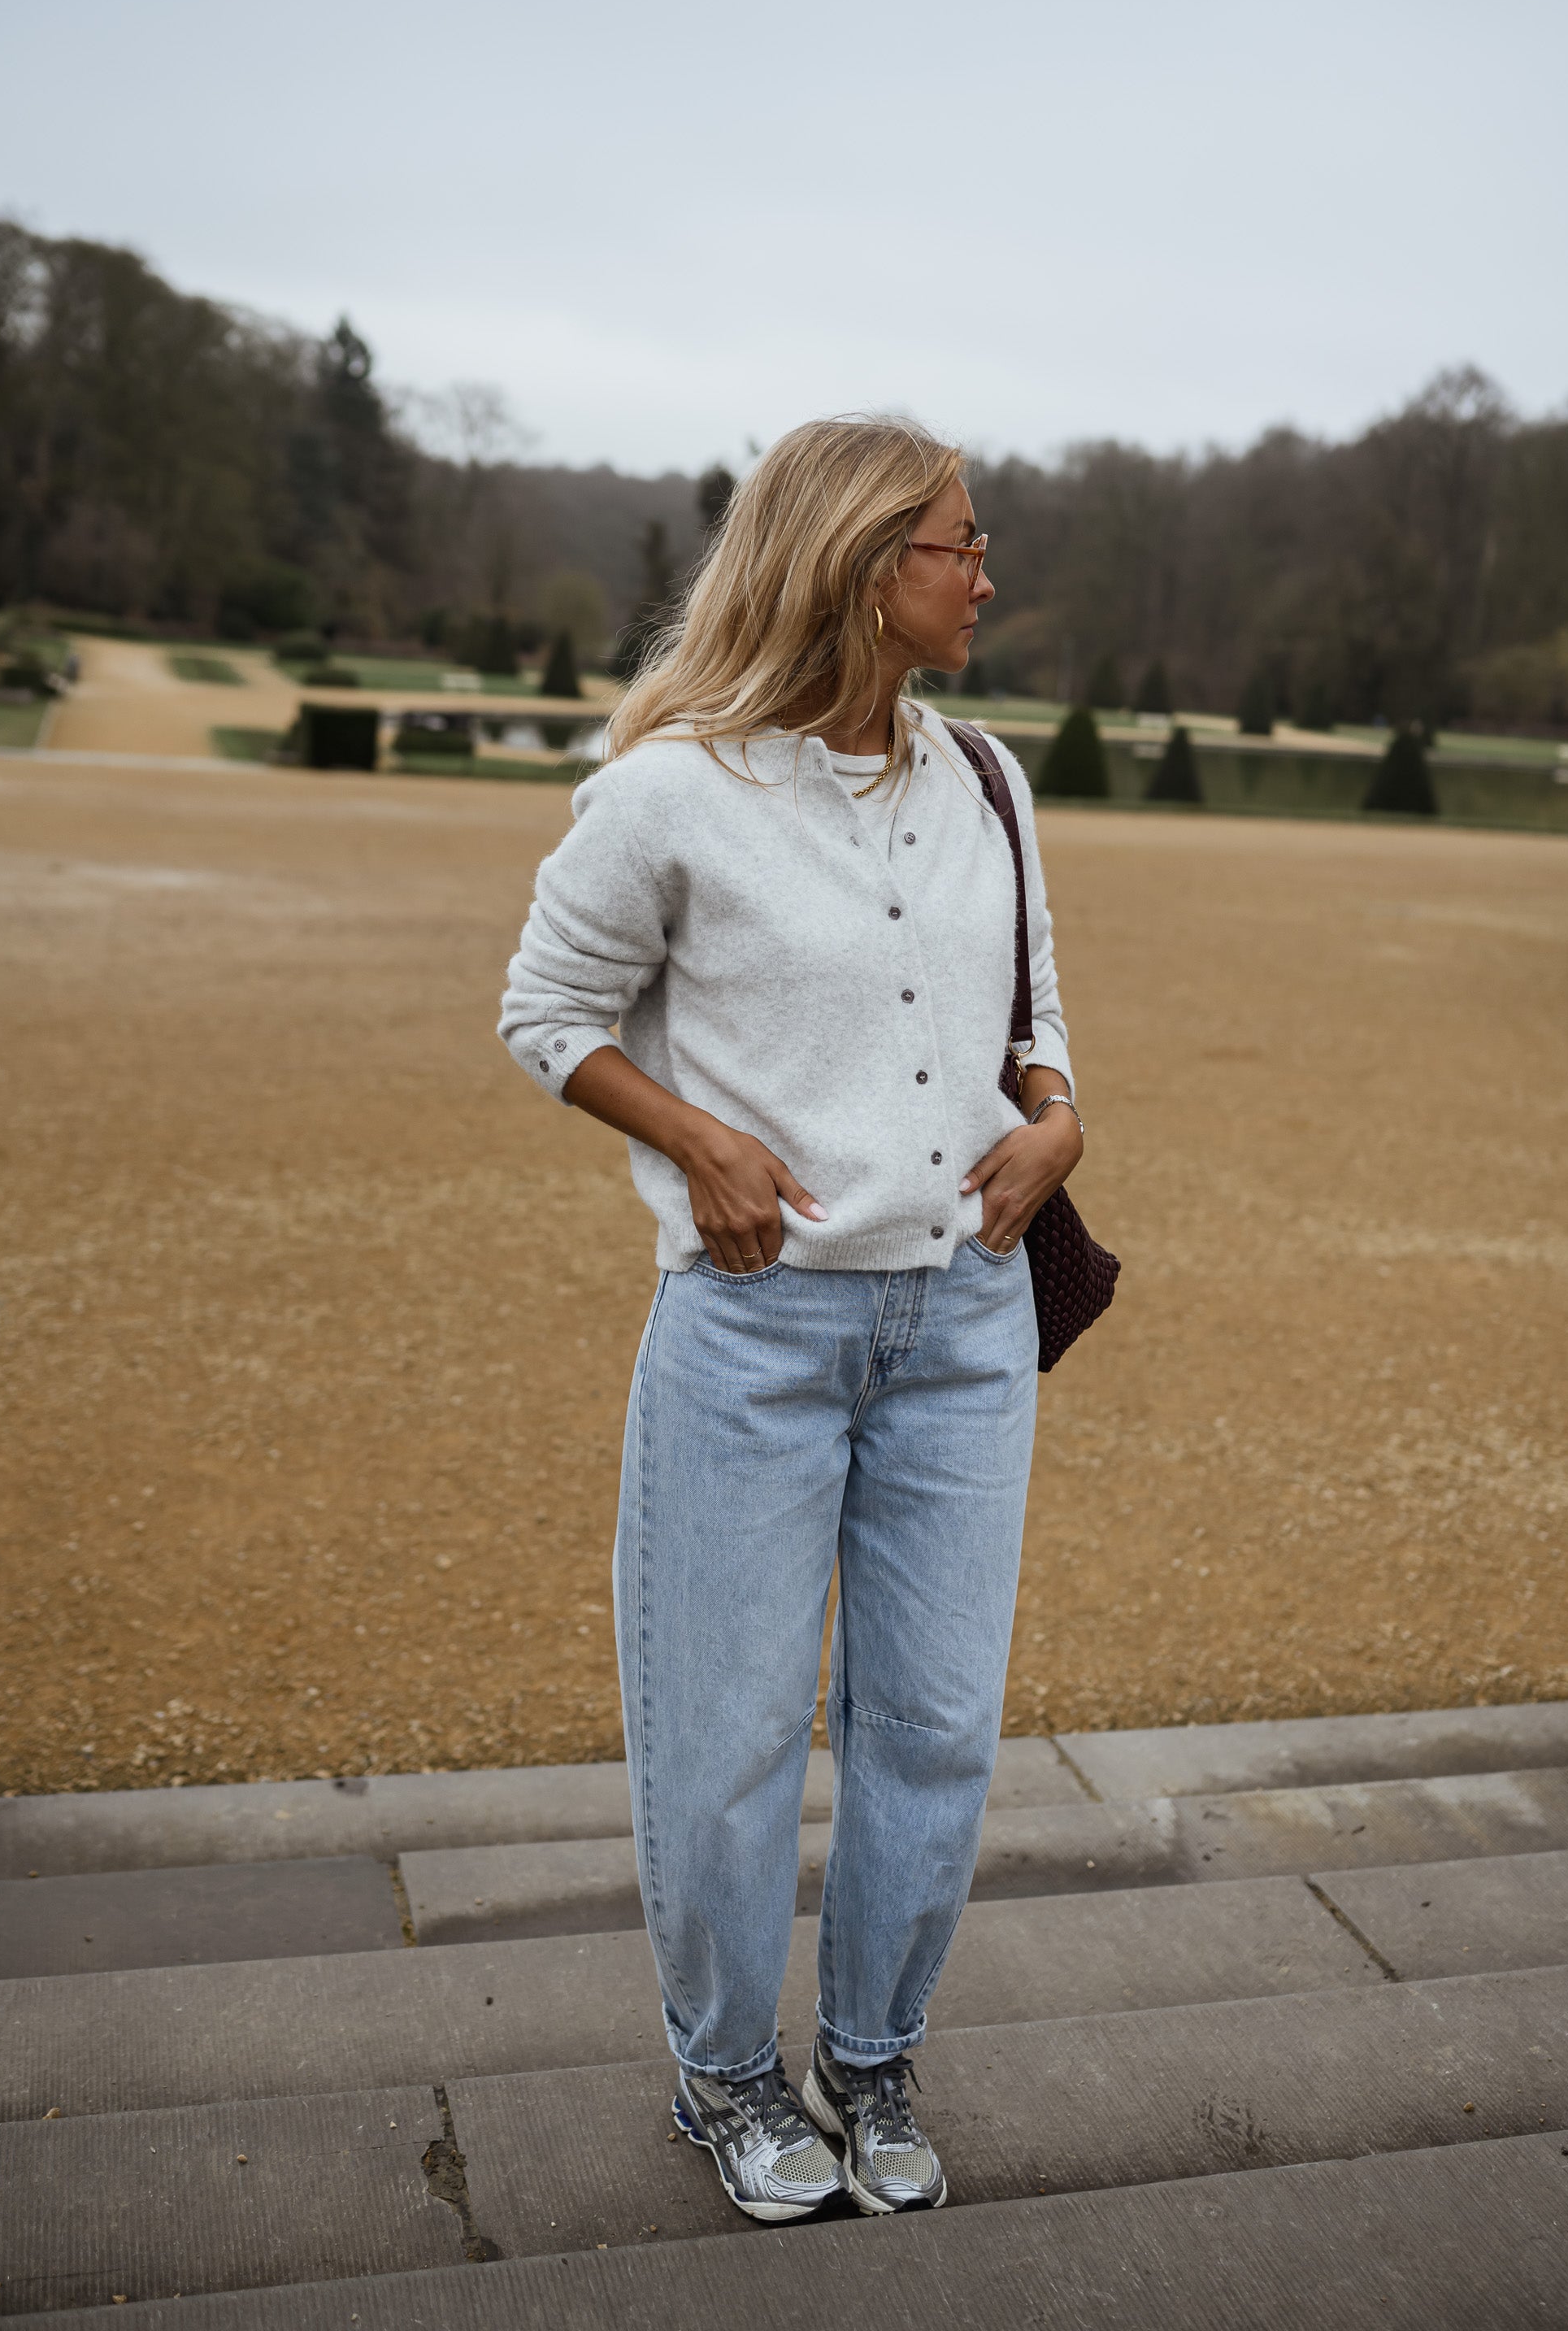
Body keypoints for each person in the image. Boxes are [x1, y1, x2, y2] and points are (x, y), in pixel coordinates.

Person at [498, 415, 1083, 2223]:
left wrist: (1057, 1116)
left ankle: (872, 2055)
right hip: (752, 1339)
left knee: (934, 1729)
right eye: (958, 546)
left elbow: (1036, 1009)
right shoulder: (672, 793)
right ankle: (727, 2076)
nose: (985, 577)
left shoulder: (987, 777)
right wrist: (697, 1143)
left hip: (966, 1329)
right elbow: (544, 1012)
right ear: (858, 562)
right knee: (726, 1741)